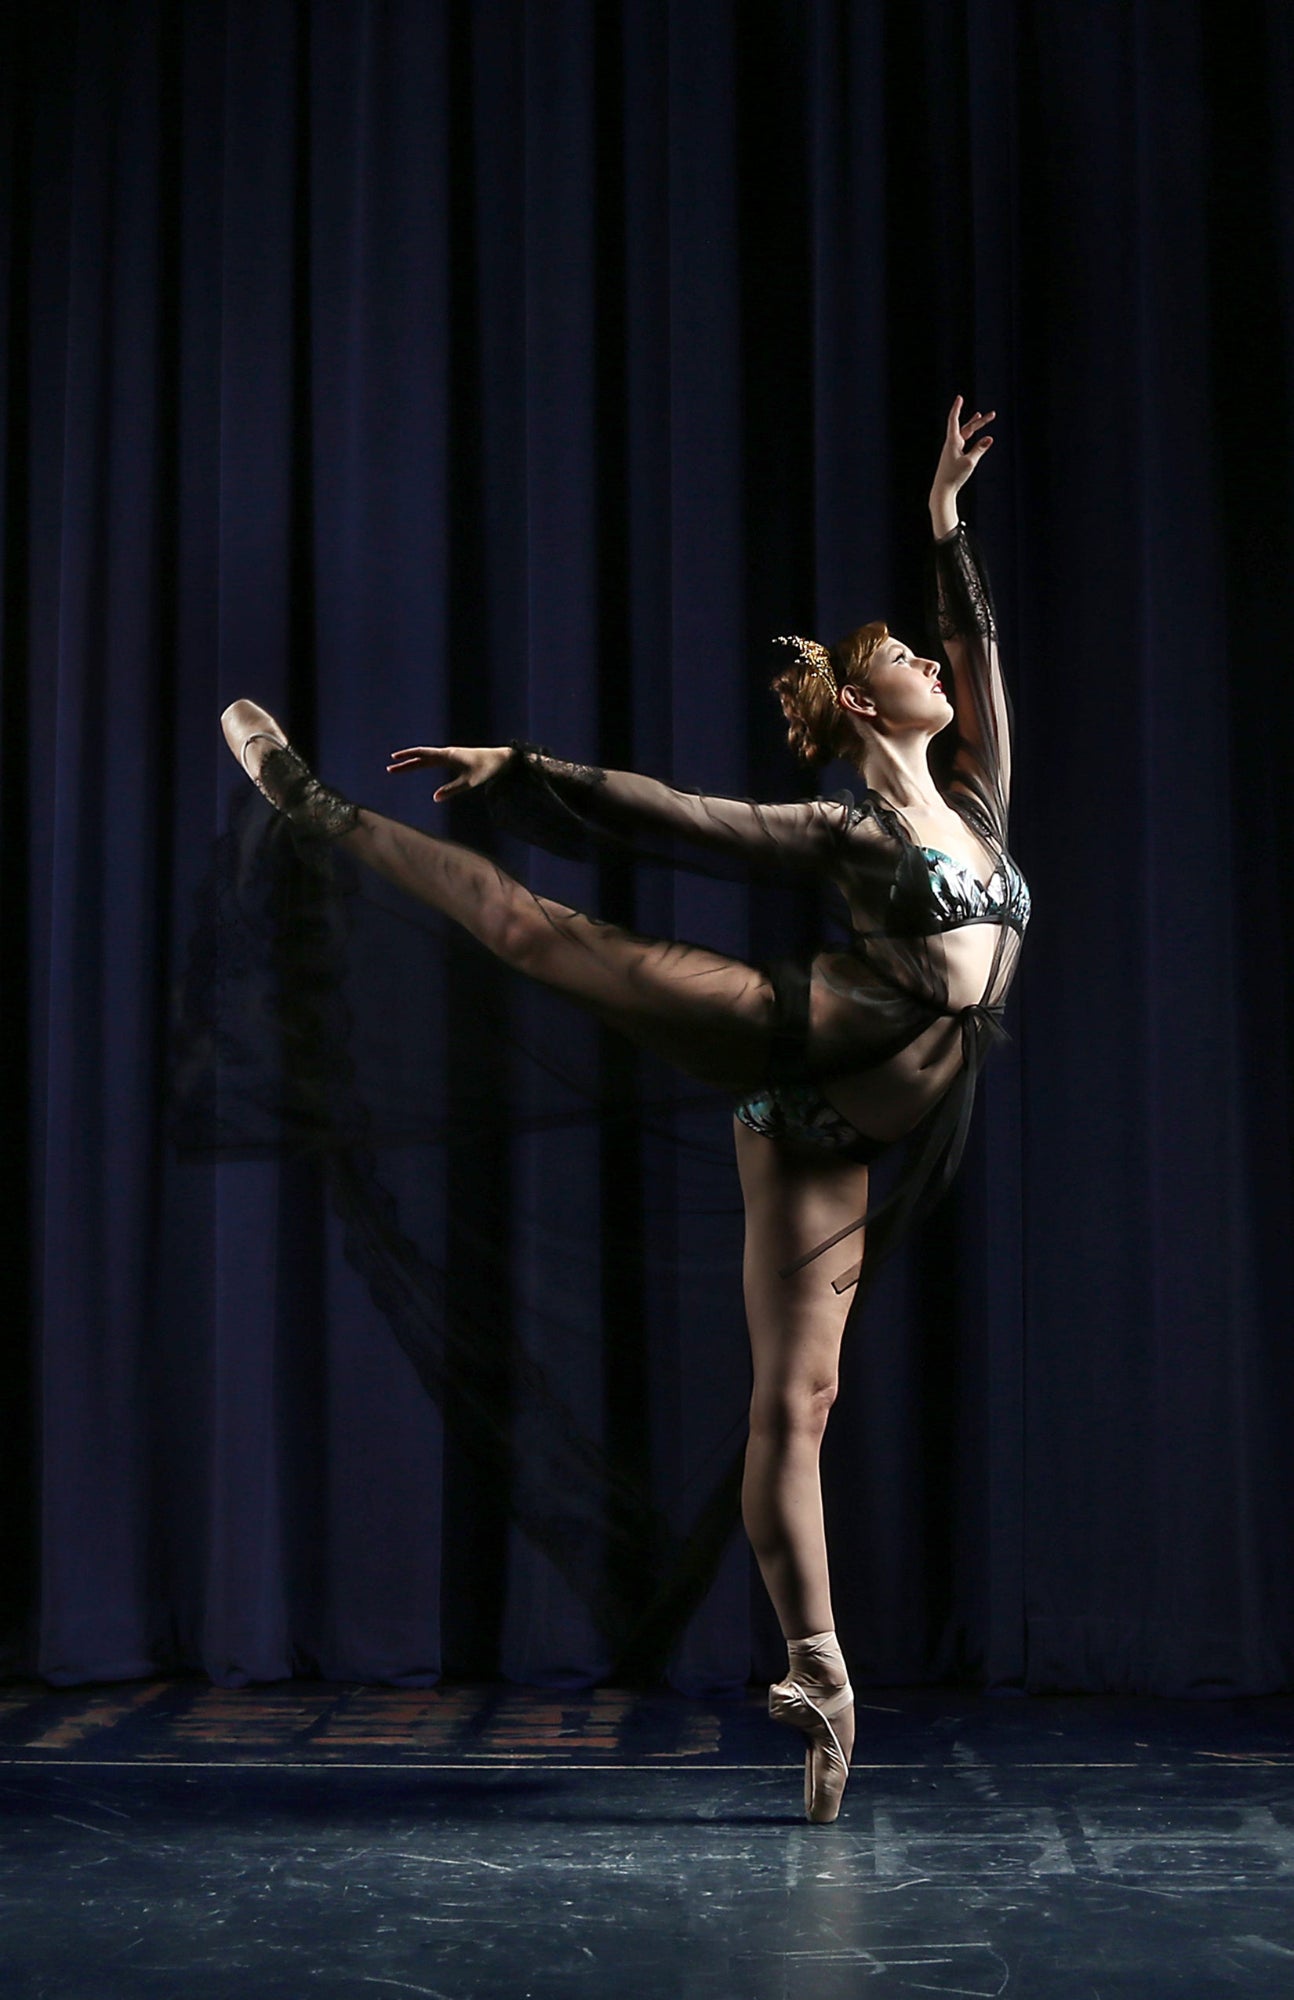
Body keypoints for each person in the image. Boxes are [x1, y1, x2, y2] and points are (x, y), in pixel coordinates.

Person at [219, 396, 1028, 1824]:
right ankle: (324, 818)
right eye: (899, 659)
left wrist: (943, 524)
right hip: (808, 1047)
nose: (927, 665)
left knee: (806, 1399)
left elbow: (978, 648)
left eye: (919, 650)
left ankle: (821, 1683)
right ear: (858, 703)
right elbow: (679, 814)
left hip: (858, 1126)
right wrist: (523, 772)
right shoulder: (841, 829)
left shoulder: (981, 794)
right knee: (546, 941)